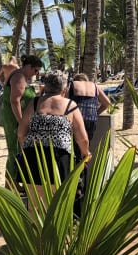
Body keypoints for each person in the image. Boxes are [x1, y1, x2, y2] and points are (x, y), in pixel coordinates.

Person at [16, 70, 90, 210]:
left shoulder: (35, 103)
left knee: (35, 205)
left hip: (33, 156)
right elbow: (83, 138)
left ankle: (36, 231)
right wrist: (86, 154)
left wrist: (26, 149)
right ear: (65, 88)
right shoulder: (70, 106)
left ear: (45, 87)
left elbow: (21, 133)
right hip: (59, 159)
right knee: (58, 205)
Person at [0, 54, 43, 185]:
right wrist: (22, 122)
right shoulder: (19, 76)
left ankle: (14, 182)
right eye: (35, 70)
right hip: (15, 120)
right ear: (29, 66)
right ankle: (10, 184)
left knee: (17, 150)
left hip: (17, 119)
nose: (36, 73)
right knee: (15, 150)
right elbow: (15, 100)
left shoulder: (20, 75)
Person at [68, 72, 111, 144]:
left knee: (74, 147)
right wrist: (96, 113)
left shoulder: (73, 85)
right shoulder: (94, 86)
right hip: (91, 120)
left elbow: (63, 101)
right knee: (86, 145)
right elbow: (107, 103)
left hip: (76, 120)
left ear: (75, 80)